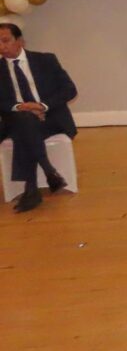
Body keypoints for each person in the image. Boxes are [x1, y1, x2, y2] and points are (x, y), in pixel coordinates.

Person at [0, 23, 76, 213]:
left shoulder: (46, 60)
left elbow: (69, 90)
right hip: (16, 120)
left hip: (50, 119)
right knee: (25, 121)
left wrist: (42, 106)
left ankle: (32, 189)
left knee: (24, 129)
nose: (1, 46)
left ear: (20, 41)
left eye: (5, 40)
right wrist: (21, 107)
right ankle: (48, 170)